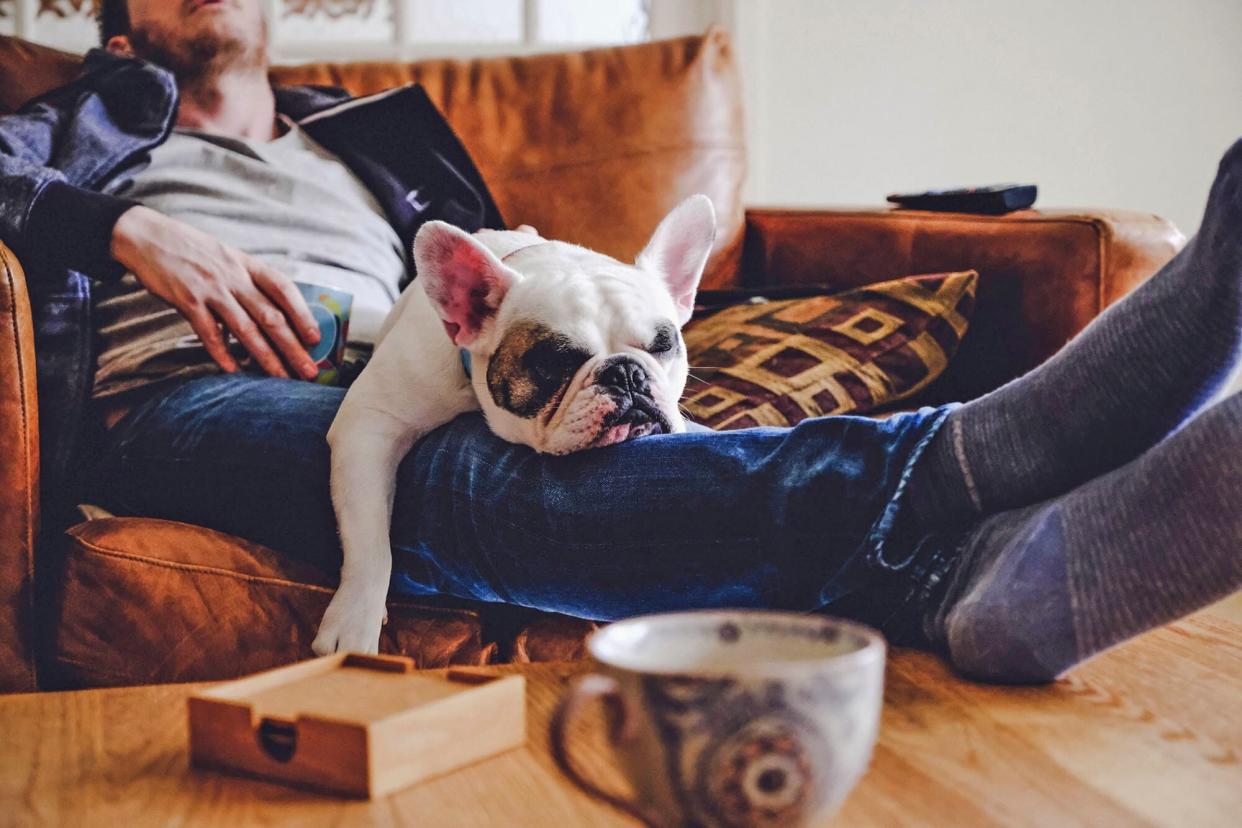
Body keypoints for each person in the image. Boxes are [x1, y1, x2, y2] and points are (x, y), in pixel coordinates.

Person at [2, 0, 1238, 685]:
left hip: (376, 354)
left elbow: (495, 322)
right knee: (458, 480)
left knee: (561, 453)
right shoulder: (76, 131)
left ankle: (973, 590)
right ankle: (988, 453)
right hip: (181, 399)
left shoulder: (366, 140)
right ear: (119, 39)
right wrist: (128, 229)